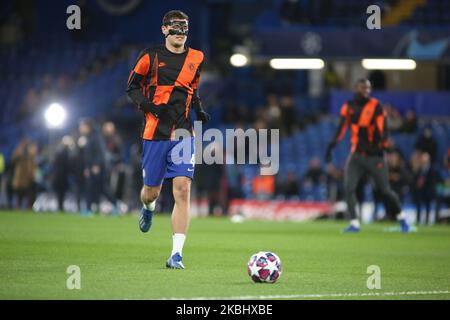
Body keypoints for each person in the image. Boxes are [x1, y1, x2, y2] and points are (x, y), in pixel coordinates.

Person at [126, 10, 210, 269]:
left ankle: (176, 254)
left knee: (183, 189)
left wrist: (198, 107)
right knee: (151, 192)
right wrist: (149, 106)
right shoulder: (149, 57)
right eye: (174, 27)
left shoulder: (197, 57)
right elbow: (131, 87)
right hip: (155, 133)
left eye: (184, 27)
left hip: (184, 132)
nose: (180, 32)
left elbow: (192, 87)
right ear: (164, 30)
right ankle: (148, 208)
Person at [325, 79, 409, 233]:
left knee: (385, 190)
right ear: (356, 88)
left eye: (368, 88)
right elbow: (341, 128)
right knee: (348, 187)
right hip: (356, 155)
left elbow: (383, 129)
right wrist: (331, 145)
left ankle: (402, 218)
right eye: (363, 87)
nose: (366, 90)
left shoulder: (376, 106)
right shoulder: (348, 107)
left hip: (375, 156)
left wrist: (383, 144)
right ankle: (355, 223)